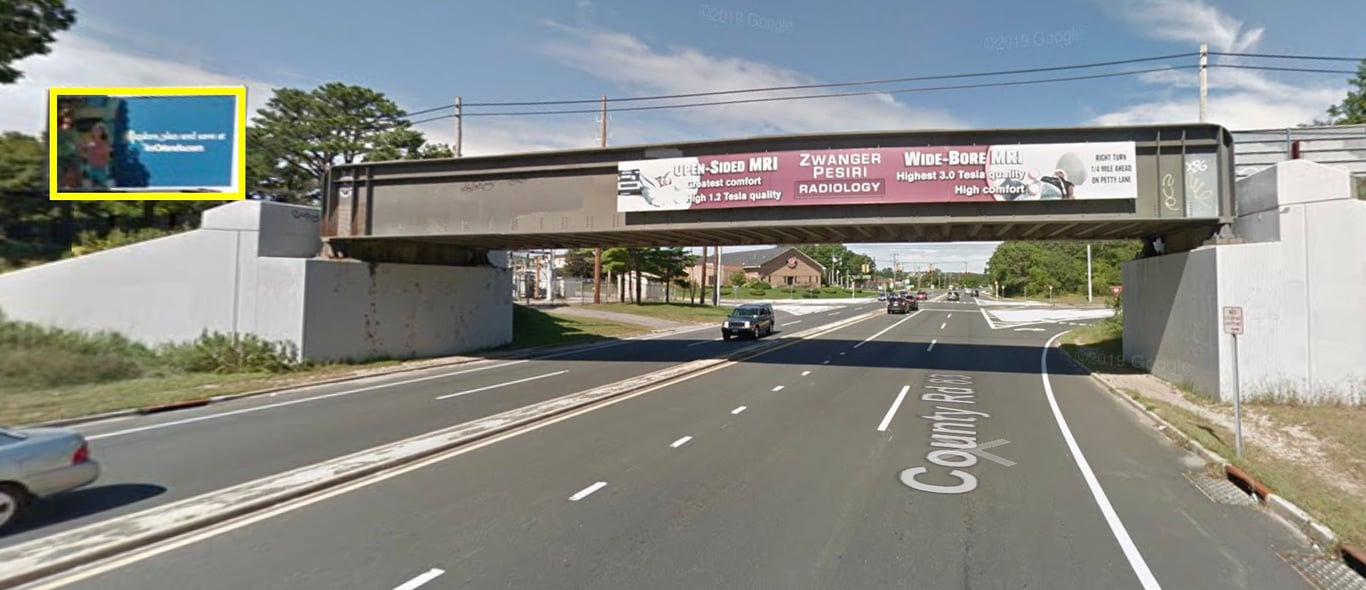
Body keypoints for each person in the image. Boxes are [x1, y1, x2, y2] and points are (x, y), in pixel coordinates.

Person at [81, 122, 113, 189]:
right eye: (95, 130)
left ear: (102, 132)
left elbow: (107, 156)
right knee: (89, 187)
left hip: (102, 168)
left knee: (103, 187)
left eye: (99, 131)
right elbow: (84, 150)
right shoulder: (90, 142)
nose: (97, 132)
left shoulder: (105, 143)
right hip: (90, 168)